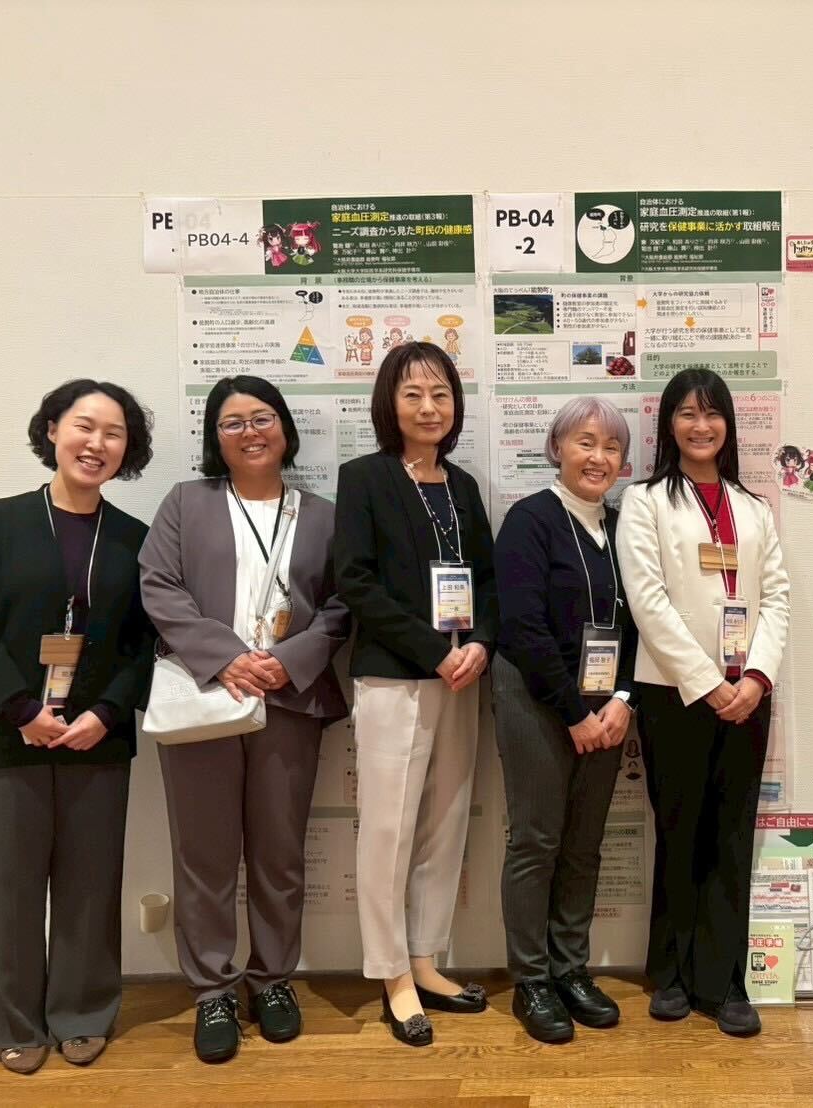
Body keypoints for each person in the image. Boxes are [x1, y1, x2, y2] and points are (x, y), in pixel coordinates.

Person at [138, 375, 350, 1064]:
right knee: (204, 855)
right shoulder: (186, 502)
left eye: (262, 418)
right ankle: (213, 990)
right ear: (215, 437)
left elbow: (343, 604)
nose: (250, 432)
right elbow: (159, 586)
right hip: (207, 696)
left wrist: (287, 661)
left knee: (279, 853)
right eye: (232, 422)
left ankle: (273, 980)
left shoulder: (323, 515)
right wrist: (227, 658)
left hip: (289, 699)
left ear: (284, 428)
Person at [0, 379, 155, 1074]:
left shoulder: (134, 538)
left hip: (97, 737)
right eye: (84, 426)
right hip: (1, 736)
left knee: (90, 888)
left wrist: (106, 713)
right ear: (52, 431)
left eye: (114, 433)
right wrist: (23, 710)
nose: (97, 443)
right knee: (6, 890)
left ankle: (83, 1014)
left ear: (127, 449)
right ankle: (14, 1025)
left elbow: (144, 644)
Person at [616, 368, 789, 1037]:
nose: (700, 425)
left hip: (748, 694)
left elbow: (775, 597)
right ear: (668, 424)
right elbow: (647, 601)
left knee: (731, 836)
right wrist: (708, 682)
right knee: (679, 829)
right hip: (675, 692)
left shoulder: (753, 508)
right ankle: (672, 974)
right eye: (686, 413)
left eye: (711, 413)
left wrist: (756, 679)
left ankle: (725, 981)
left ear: (728, 424)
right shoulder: (645, 502)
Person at [334, 342, 498, 1047]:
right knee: (388, 829)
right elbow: (355, 581)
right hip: (394, 678)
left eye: (440, 394)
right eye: (412, 394)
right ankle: (392, 973)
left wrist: (480, 642)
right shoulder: (364, 478)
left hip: (462, 677)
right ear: (389, 405)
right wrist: (435, 651)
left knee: (445, 822)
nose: (429, 407)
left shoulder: (461, 486)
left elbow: (486, 578)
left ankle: (426, 959)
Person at [494, 397, 638, 1043]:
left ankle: (570, 969)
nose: (598, 457)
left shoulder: (625, 527)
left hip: (606, 707)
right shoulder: (530, 520)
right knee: (537, 840)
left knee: (583, 844)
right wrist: (575, 712)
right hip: (535, 696)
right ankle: (531, 979)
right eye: (585, 442)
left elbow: (641, 623)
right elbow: (522, 627)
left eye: (611, 447)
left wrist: (623, 700)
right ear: (557, 448)